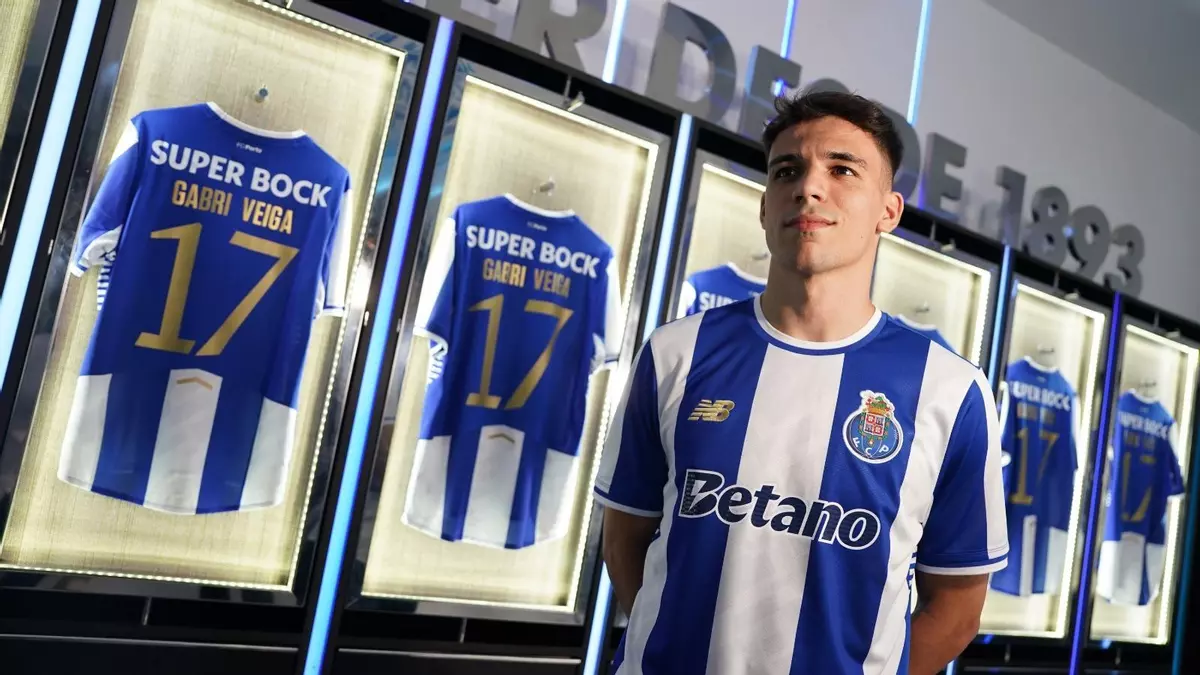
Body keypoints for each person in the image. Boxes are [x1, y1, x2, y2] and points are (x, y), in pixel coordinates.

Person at [593, 89, 1009, 675]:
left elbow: (958, 608)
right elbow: (624, 540)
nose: (809, 187)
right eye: (787, 170)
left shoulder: (951, 390)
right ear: (765, 207)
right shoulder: (675, 352)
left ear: (889, 211)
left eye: (842, 170)